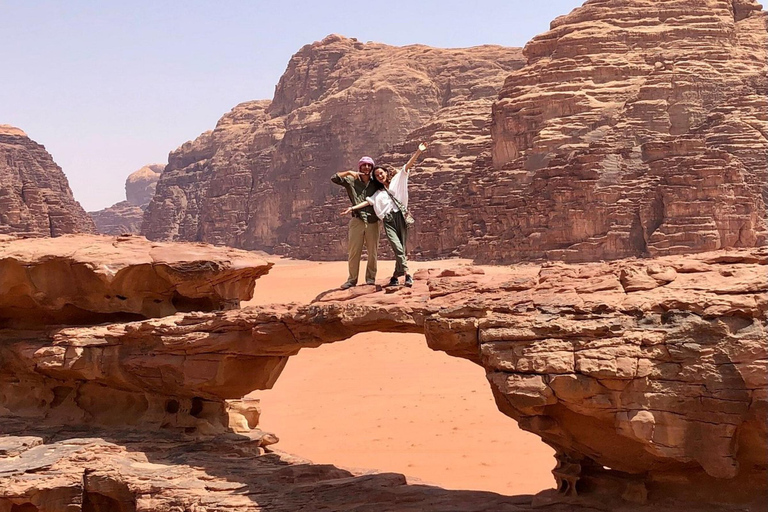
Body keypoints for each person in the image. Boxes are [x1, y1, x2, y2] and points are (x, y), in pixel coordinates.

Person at [341, 143, 426, 288]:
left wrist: (418, 151)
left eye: (381, 173)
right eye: (377, 175)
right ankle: (407, 274)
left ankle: (394, 276)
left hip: (401, 218)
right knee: (397, 247)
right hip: (388, 221)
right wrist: (352, 208)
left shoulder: (398, 180)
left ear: (386, 173)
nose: (380, 176)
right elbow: (368, 202)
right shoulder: (378, 193)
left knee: (401, 248)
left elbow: (408, 165)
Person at [331, 156, 380, 289]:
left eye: (369, 166)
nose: (367, 168)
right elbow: (334, 178)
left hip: (373, 220)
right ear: (359, 167)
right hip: (357, 220)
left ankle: (370, 279)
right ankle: (352, 280)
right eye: (364, 165)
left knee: (372, 252)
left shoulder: (376, 182)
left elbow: (390, 183)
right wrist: (348, 172)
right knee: (354, 252)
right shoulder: (351, 180)